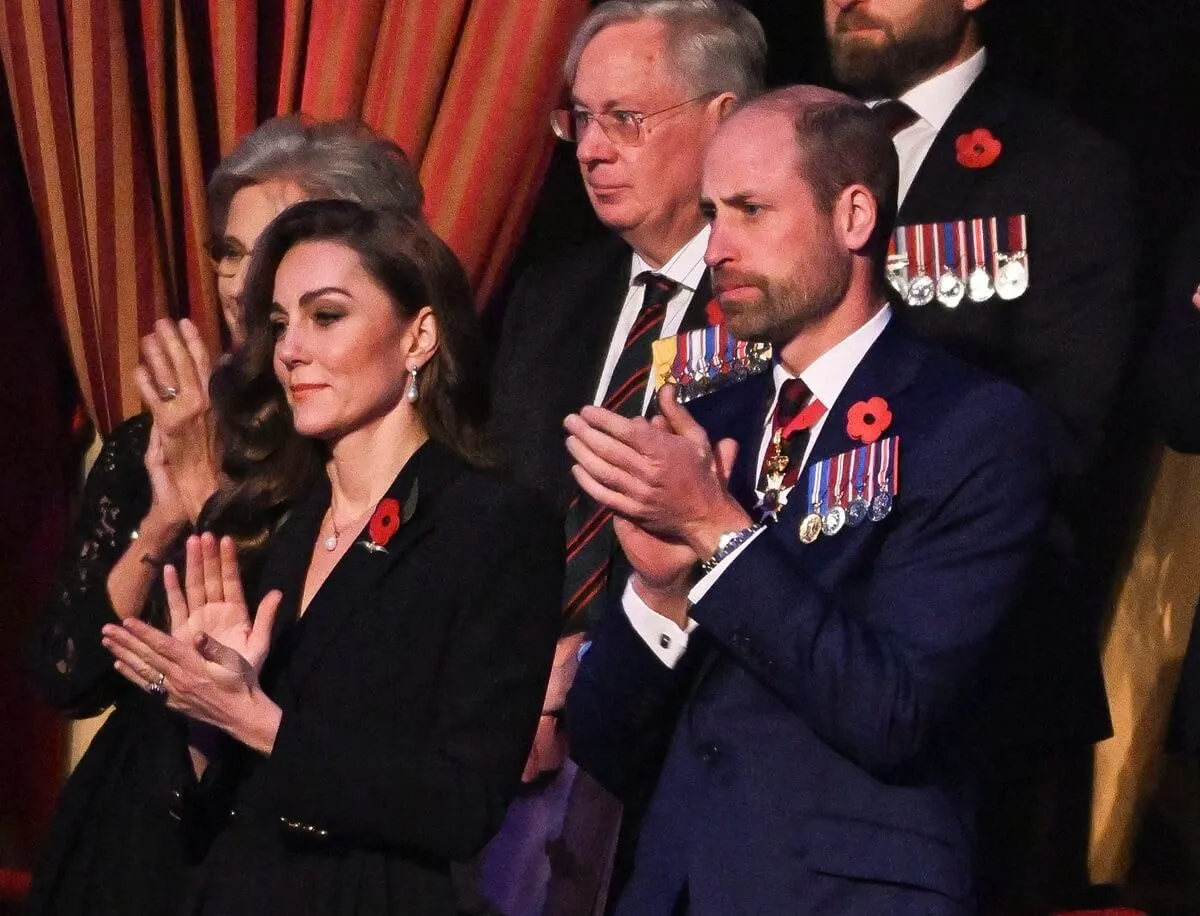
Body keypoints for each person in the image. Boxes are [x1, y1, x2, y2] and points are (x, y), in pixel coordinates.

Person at [564, 85, 1049, 915]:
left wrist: (717, 533)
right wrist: (656, 597)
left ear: (854, 216)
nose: (717, 247)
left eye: (751, 210)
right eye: (712, 213)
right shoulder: (708, 425)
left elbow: (894, 709)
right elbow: (605, 746)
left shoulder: (968, 427)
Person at [101, 199, 563, 915]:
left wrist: (257, 721)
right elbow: (190, 799)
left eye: (327, 316)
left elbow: (463, 805)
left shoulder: (493, 527)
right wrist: (199, 710)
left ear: (419, 337)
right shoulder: (263, 521)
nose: (290, 349)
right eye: (281, 323)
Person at [25, 116, 423, 916]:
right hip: (132, 837)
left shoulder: (386, 459)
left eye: (273, 251)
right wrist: (163, 523)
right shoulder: (165, 434)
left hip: (289, 848)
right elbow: (64, 675)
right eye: (230, 255)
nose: (243, 285)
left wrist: (212, 497)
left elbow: (330, 689)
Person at [823, 0, 1140, 904]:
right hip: (791, 644)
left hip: (978, 662)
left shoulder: (1061, 166)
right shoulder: (796, 148)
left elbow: (1068, 428)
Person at [485, 2, 766, 912]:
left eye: (626, 119)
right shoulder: (551, 298)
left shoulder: (776, 313)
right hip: (504, 737)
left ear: (725, 120)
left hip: (687, 754)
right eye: (579, 119)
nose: (591, 149)